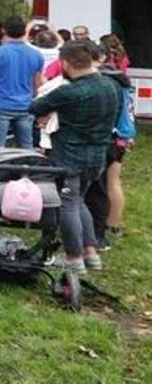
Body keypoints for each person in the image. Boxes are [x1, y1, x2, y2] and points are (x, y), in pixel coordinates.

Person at [29, 42, 119, 274]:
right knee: (79, 200)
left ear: (66, 63)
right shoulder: (110, 86)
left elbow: (35, 107)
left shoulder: (69, 92)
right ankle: (91, 253)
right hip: (97, 156)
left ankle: (74, 257)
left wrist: (52, 111)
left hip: (68, 155)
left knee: (67, 204)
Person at [0, 18, 46, 148]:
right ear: (24, 32)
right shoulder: (36, 55)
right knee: (26, 146)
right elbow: (37, 83)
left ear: (4, 31)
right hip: (25, 105)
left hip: (0, 104)